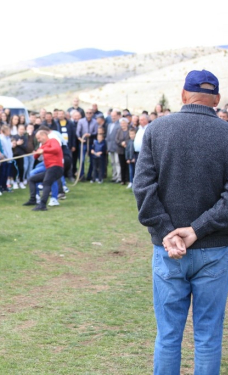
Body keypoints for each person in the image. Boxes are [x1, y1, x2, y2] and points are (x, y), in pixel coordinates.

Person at [134, 70, 228, 374]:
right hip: (213, 248)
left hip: (169, 249)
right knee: (208, 336)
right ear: (216, 99)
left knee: (169, 335)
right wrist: (197, 230)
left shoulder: (156, 129)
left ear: (184, 95)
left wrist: (167, 233)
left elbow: (143, 189)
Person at [23, 130, 63, 211]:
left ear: (44, 135)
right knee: (32, 179)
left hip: (56, 167)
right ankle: (33, 199)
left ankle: (42, 205)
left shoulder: (53, 141)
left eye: (39, 138)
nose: (38, 140)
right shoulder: (43, 146)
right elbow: (35, 157)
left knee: (46, 183)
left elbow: (57, 149)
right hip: (49, 169)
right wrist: (36, 153)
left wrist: (44, 151)